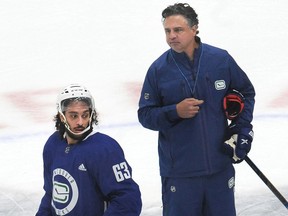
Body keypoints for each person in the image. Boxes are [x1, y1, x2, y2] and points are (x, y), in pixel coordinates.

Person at [137, 3, 255, 216]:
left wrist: (241, 128)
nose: (172, 36)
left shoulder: (220, 59)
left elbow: (246, 92)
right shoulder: (158, 70)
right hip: (180, 174)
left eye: (178, 30)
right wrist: (175, 111)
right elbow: (145, 115)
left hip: (219, 169)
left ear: (195, 28)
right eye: (167, 31)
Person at [36, 83, 142, 216]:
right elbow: (51, 194)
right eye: (74, 116)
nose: (80, 122)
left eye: (85, 115)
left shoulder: (104, 149)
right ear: (62, 116)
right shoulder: (53, 144)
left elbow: (127, 199)